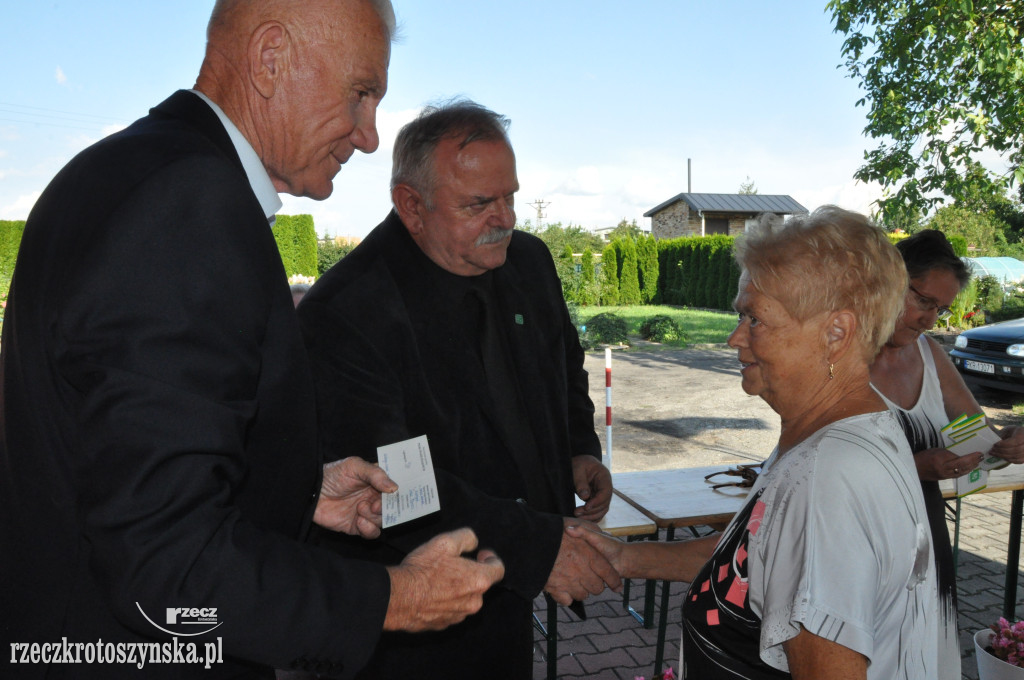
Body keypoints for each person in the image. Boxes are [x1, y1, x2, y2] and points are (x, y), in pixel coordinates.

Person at [0, 2, 505, 679]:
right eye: (361, 93)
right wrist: (393, 598)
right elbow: (166, 563)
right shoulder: (188, 203)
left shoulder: (135, 168)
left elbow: (120, 465)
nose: (370, 136)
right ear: (271, 59)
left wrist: (295, 490)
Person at [297, 99, 619, 679]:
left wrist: (577, 445)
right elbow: (397, 485)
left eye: (510, 196)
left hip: (510, 596)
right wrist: (535, 548)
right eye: (479, 204)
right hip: (410, 620)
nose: (505, 218)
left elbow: (562, 360)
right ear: (411, 206)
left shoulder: (528, 261)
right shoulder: (348, 311)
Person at [571, 207, 938, 679]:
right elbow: (753, 559)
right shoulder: (821, 438)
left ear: (836, 332)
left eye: (755, 318)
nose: (734, 337)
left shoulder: (829, 476)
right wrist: (624, 556)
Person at [869, 229, 1024, 679]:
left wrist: (1008, 440)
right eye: (922, 301)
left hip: (922, 541)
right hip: (855, 542)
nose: (929, 319)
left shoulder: (929, 354)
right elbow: (811, 457)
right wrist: (916, 466)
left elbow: (975, 429)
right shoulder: (838, 353)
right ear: (888, 281)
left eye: (940, 308)